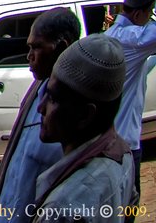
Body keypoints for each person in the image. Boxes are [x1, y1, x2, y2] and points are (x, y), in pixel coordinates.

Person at [0, 8, 80, 223]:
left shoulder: (75, 108)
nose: (29, 56)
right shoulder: (37, 89)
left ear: (62, 47)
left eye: (36, 47)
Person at [32, 34, 135, 223]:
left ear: (85, 115)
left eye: (53, 98)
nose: (41, 107)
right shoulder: (122, 155)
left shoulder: (62, 208)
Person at [105, 0, 156, 205]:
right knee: (128, 209)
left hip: (107, 143)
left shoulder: (112, 35)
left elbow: (146, 64)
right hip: (125, 147)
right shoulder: (134, 39)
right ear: (137, 14)